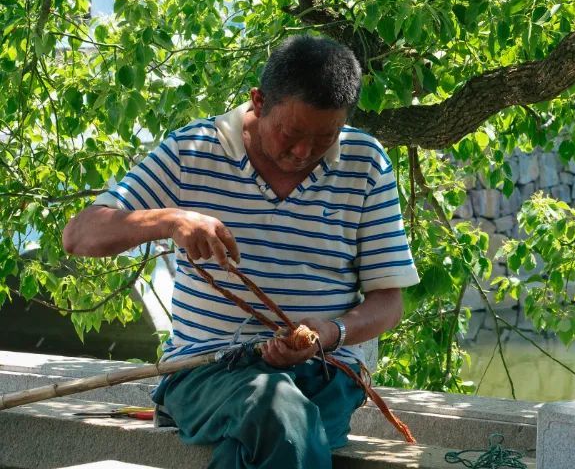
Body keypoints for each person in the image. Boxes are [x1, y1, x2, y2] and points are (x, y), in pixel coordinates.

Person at [63, 35, 419, 469]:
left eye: (325, 137)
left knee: (275, 433)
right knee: (280, 413)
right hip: (207, 371)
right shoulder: (192, 150)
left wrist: (329, 333)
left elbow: (389, 302)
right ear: (258, 100)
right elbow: (80, 235)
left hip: (325, 375)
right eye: (291, 134)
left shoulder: (366, 163)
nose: (303, 153)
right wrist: (171, 220)